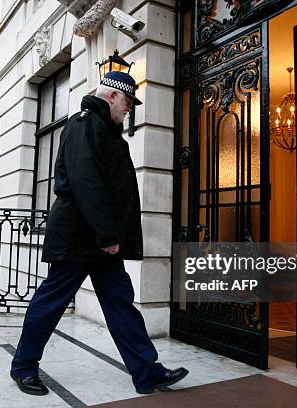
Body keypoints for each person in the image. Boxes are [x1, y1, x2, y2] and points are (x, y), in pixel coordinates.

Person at [10, 71, 188, 395]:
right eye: (128, 101)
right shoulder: (85, 123)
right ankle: (23, 366)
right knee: (50, 304)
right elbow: (85, 182)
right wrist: (107, 234)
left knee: (121, 305)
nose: (130, 108)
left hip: (101, 242)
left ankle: (146, 371)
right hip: (79, 237)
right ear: (111, 96)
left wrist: (110, 235)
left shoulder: (106, 131)